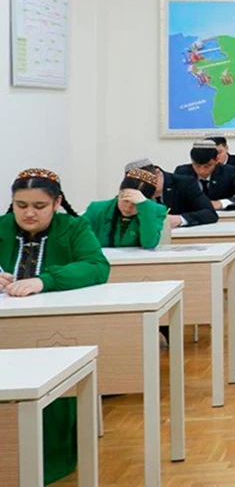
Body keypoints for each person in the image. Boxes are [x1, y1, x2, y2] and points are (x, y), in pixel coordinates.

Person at [0, 168, 110, 484]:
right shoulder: (2, 227)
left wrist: (44, 280)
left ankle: (47, 461)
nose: (29, 213)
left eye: (39, 206)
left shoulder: (74, 227)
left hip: (53, 327)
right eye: (21, 205)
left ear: (57, 202)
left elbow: (96, 267)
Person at [82, 167, 167, 249]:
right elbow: (78, 237)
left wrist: (144, 206)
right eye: (125, 201)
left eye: (135, 204)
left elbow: (149, 244)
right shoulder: (97, 209)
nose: (128, 207)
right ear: (119, 193)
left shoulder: (156, 211)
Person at [126, 157, 217, 228]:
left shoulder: (184, 183)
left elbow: (210, 213)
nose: (146, 190)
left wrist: (179, 219)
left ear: (158, 173)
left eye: (147, 184)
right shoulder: (133, 191)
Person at [173, 139, 235, 209]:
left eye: (207, 166)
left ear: (216, 161)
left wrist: (220, 203)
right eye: (197, 166)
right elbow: (172, 199)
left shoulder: (229, 172)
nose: (202, 171)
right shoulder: (182, 172)